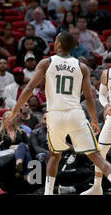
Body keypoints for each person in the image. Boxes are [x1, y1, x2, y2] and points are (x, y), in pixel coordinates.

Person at [6, 31, 111, 195]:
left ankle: (48, 192)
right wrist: (93, 120)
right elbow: (90, 98)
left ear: (59, 44)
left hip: (55, 114)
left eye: (55, 40)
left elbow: (29, 89)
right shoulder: (82, 67)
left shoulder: (46, 63)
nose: (54, 43)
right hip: (75, 114)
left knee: (54, 155)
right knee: (97, 157)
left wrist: (13, 112)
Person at [80, 67, 111, 195]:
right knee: (100, 152)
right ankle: (97, 187)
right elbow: (102, 95)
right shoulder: (107, 73)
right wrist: (106, 105)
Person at [0, 111, 33, 181]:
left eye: (10, 118)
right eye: (6, 118)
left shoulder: (22, 132)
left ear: (14, 119)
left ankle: (19, 163)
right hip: (8, 155)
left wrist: (17, 147)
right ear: (3, 120)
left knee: (22, 146)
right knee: (22, 146)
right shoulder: (0, 134)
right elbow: (1, 148)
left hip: (22, 154)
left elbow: (28, 146)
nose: (9, 120)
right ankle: (27, 173)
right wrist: (16, 148)